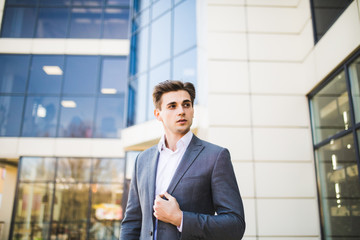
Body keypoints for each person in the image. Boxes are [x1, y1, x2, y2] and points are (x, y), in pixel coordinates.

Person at [120, 80, 245, 240]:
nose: (181, 111)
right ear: (158, 114)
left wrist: (180, 218)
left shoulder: (216, 156)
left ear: (193, 111)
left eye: (186, 105)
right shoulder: (142, 160)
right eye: (172, 106)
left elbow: (235, 225)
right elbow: (131, 223)